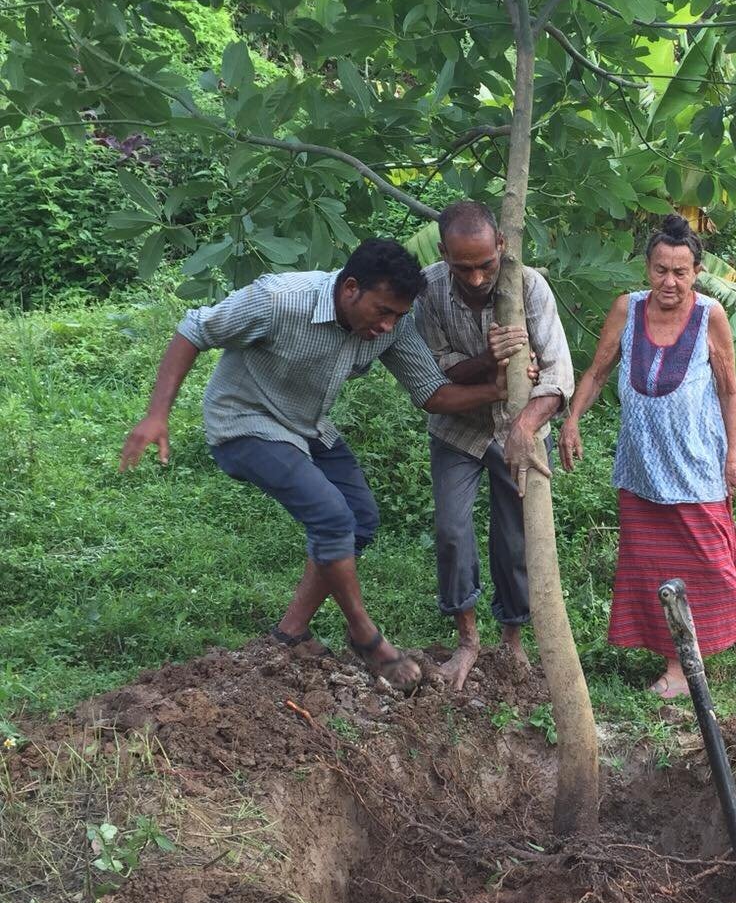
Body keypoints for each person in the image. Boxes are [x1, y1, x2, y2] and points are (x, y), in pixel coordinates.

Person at [120, 238, 517, 691]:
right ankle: (366, 637)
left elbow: (432, 394)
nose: (388, 326)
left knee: (360, 520)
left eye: (398, 316)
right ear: (350, 289)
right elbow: (195, 329)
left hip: (307, 426)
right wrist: (156, 414)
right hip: (242, 424)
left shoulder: (393, 327)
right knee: (331, 517)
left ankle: (289, 634)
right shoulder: (280, 300)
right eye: (382, 311)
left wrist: (497, 390)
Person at [561, 213, 736, 699]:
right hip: (642, 469)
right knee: (657, 569)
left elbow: (730, 392)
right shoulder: (627, 309)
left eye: (681, 272)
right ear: (647, 268)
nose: (670, 281)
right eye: (661, 270)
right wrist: (573, 419)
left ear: (696, 272)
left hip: (696, 467)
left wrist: (734, 458)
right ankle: (677, 666)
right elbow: (598, 372)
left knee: (715, 564)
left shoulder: (712, 316)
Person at [414, 200, 574, 690]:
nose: (478, 278)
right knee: (451, 530)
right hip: (458, 430)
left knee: (515, 537)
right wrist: (490, 360)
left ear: (501, 246)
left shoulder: (528, 285)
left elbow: (559, 373)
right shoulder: (430, 289)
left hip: (518, 429)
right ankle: (467, 637)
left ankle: (512, 639)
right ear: (444, 253)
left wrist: (526, 425)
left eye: (486, 264)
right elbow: (437, 371)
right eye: (464, 267)